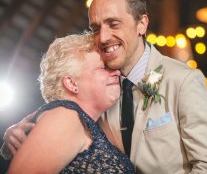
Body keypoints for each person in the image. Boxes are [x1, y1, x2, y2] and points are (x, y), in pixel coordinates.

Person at [2, 0, 207, 173]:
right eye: (96, 28)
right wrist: (18, 129)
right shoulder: (103, 87)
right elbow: (64, 113)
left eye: (113, 23)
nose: (103, 37)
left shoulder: (183, 80)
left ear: (142, 24)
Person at [6, 34, 135, 173]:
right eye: (104, 67)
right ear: (72, 83)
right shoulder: (65, 117)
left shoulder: (91, 125)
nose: (116, 72)